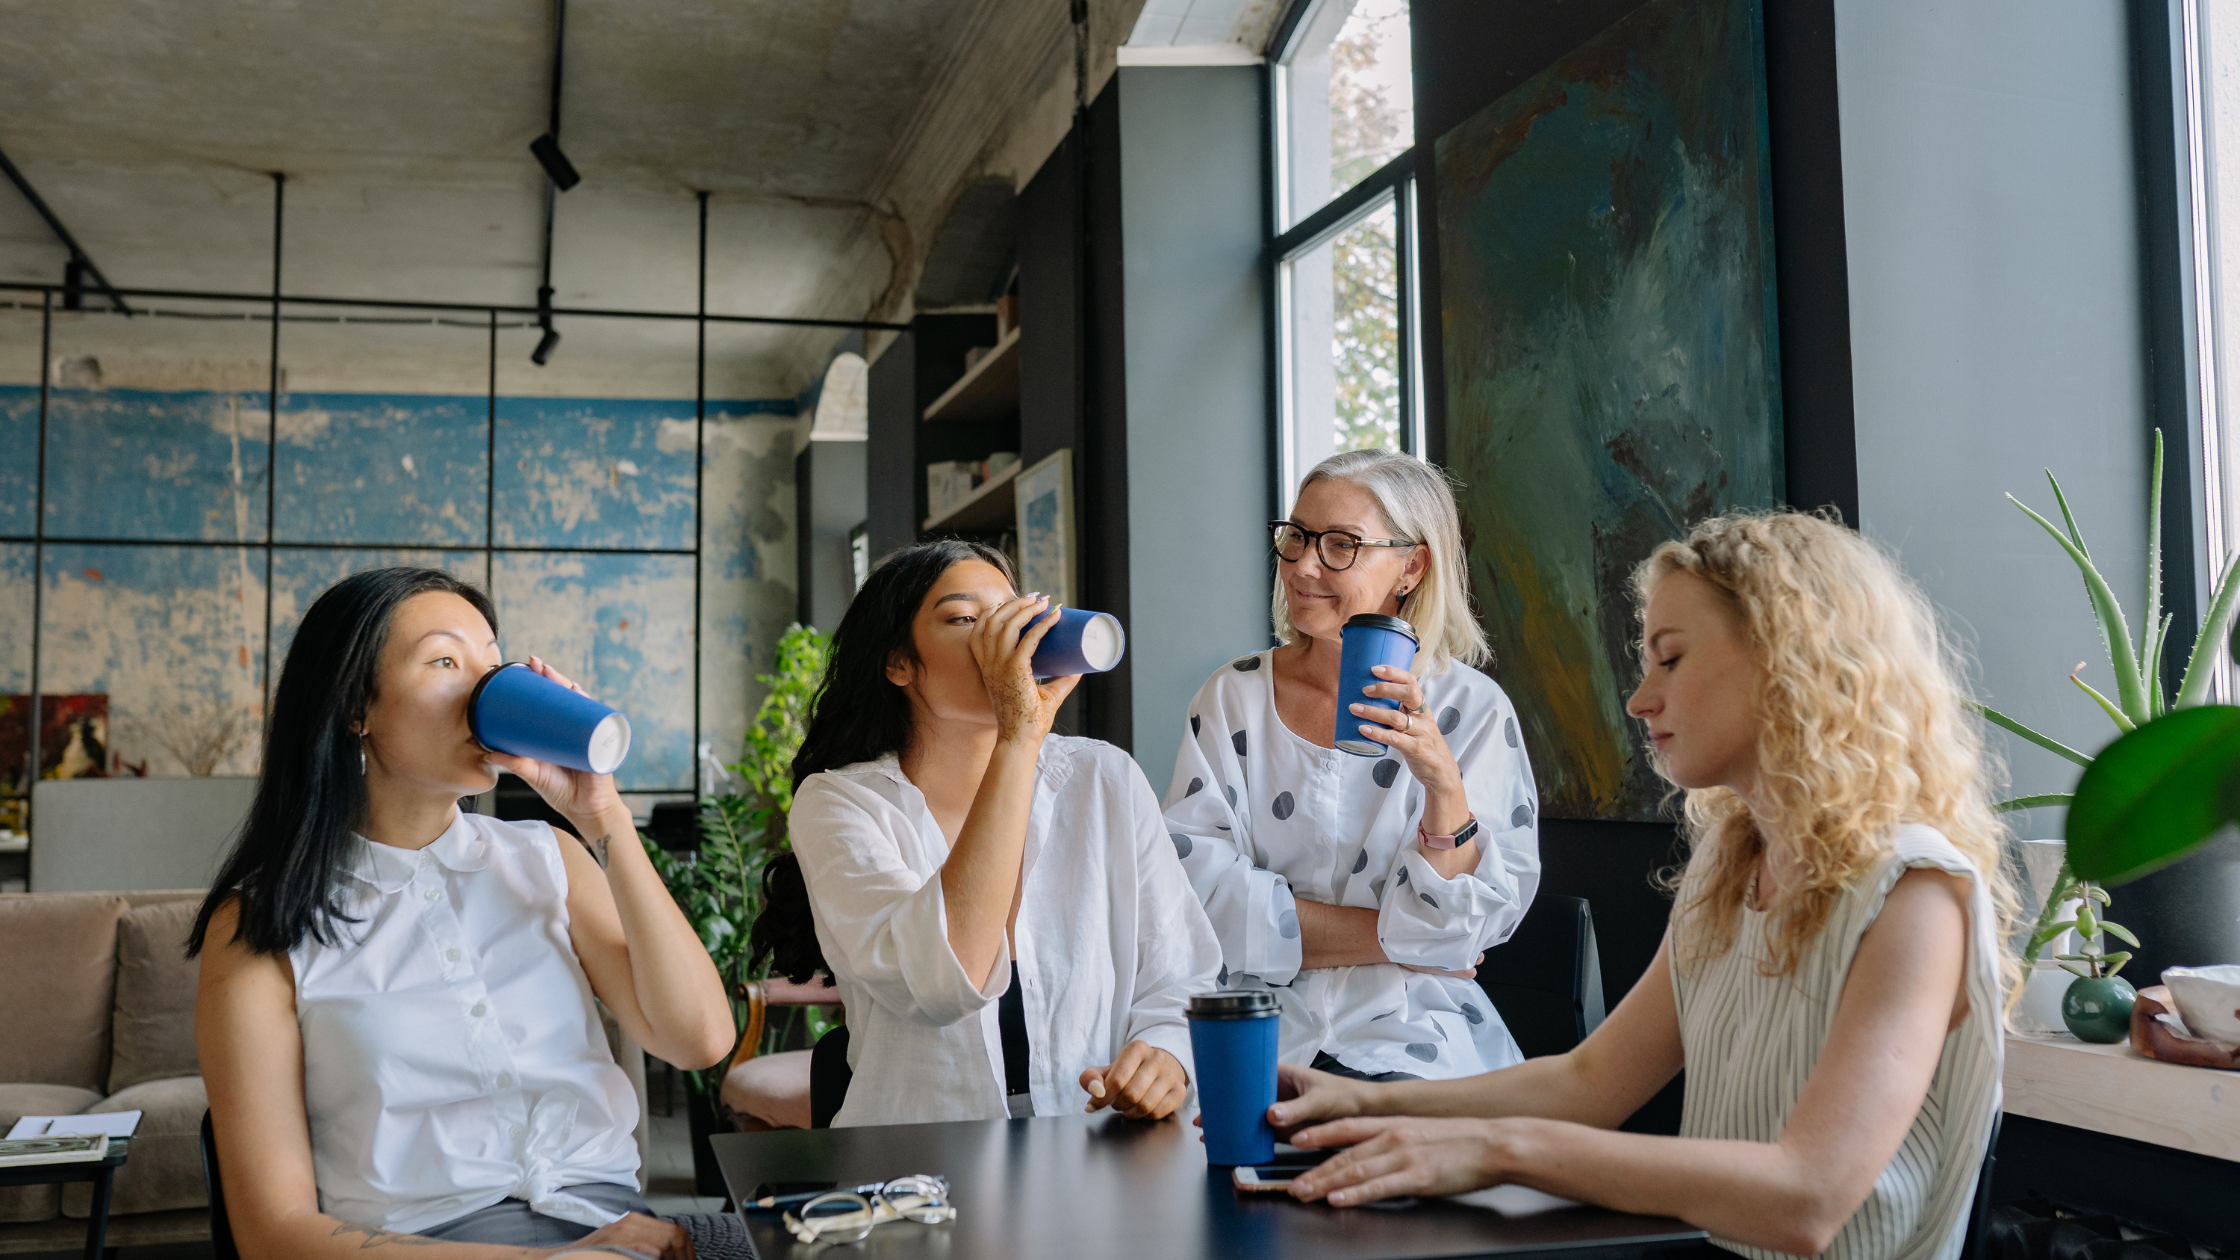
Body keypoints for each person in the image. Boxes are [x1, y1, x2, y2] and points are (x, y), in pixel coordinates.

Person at [1268, 511, 2017, 1260]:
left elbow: (1806, 1197)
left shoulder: (1914, 893)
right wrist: (1363, 1100)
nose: (1639, 699)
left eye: (1672, 660)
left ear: (1788, 660)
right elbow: (1589, 1083)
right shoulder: (1729, 869)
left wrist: (1498, 1150)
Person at [191, 567, 740, 1260]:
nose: (483, 689)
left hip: (622, 1230)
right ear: (356, 708)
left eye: (491, 661)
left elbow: (700, 1041)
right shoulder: (260, 926)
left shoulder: (551, 859)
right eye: (445, 662)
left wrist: (605, 819)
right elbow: (274, 1234)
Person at [752, 539, 1223, 1127]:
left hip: (1093, 1142)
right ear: (898, 663)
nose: (1005, 636)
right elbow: (944, 981)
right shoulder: (840, 803)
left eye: (1009, 612)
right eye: (964, 618)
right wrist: (1018, 737)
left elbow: (1182, 974)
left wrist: (1168, 1054)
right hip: (919, 1158)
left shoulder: (1104, 779)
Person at [1163, 449, 1542, 1081]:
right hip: (1255, 1023)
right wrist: (1406, 943)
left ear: (1411, 566)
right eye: (1296, 536)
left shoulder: (1472, 710)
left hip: (1412, 1027)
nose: (1303, 565)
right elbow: (1197, 900)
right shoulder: (1233, 697)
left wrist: (1443, 785)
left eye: (1342, 545)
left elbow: (1469, 924)